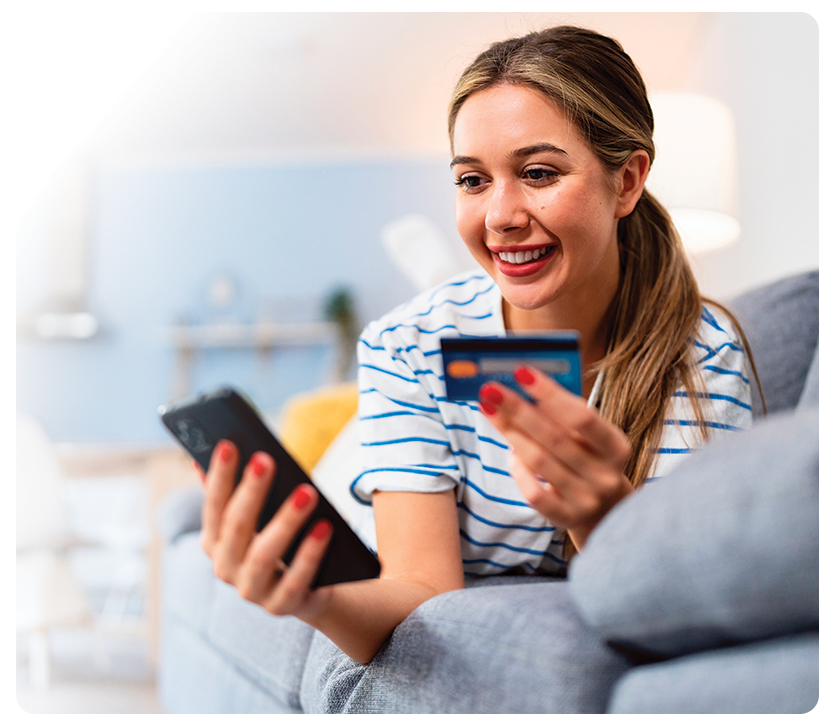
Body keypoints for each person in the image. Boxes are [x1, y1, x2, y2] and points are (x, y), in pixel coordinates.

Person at [196, 25, 758, 666]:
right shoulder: (405, 344)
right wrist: (312, 599)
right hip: (365, 486)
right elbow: (420, 589)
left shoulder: (702, 353)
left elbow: (690, 607)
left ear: (626, 182)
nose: (500, 215)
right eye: (472, 180)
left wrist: (603, 515)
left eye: (539, 173)